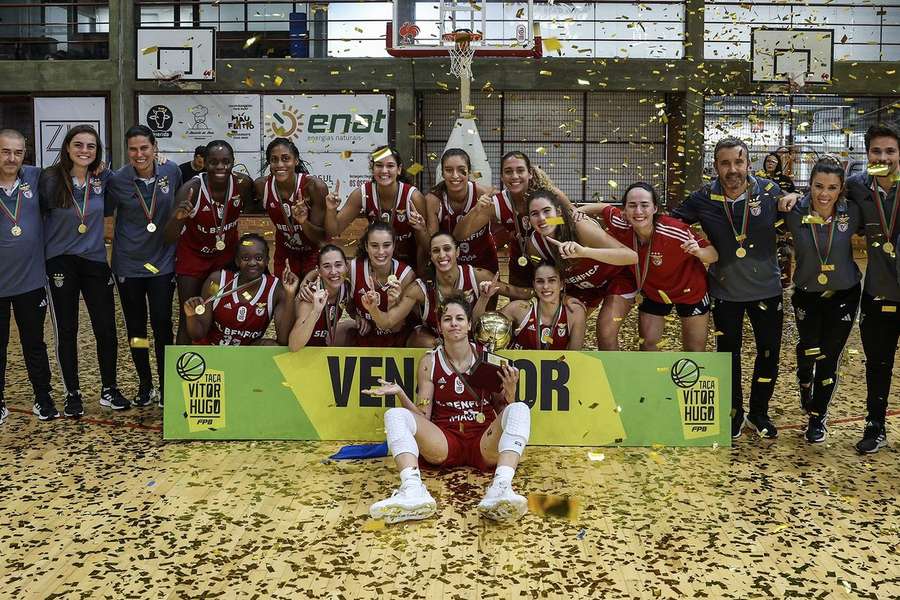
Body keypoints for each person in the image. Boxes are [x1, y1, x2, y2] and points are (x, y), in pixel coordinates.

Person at [673, 136, 797, 440]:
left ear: (748, 163)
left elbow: (799, 213)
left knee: (768, 353)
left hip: (767, 290)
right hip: (724, 292)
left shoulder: (770, 192)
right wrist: (699, 246)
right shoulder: (702, 197)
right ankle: (733, 414)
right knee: (728, 354)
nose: (732, 169)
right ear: (715, 166)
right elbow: (671, 224)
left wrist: (794, 199)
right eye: (725, 163)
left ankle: (758, 412)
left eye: (738, 162)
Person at [365, 294, 530, 524]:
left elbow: (505, 411)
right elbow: (422, 417)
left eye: (460, 318)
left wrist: (511, 391)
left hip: (483, 440)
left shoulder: (488, 359)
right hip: (445, 440)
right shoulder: (429, 362)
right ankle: (413, 490)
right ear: (440, 327)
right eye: (447, 319)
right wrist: (401, 394)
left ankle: (501, 488)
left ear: (470, 324)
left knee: (521, 409)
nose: (454, 323)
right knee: (394, 415)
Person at [38, 124, 127, 416]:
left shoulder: (103, 179)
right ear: (67, 147)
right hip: (60, 261)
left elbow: (131, 179)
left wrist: (160, 159)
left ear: (97, 151)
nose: (84, 151)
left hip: (95, 261)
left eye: (91, 146)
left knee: (106, 328)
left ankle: (109, 389)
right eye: (78, 145)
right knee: (67, 329)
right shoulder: (50, 180)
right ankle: (72, 392)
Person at [581, 183, 718, 352]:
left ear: (655, 208)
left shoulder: (675, 231)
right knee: (647, 346)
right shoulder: (620, 222)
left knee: (695, 351)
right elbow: (603, 208)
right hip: (654, 292)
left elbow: (713, 254)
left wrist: (698, 252)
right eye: (632, 205)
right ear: (624, 210)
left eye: (644, 205)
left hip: (690, 291)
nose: (638, 211)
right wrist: (577, 212)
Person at [781, 158, 861, 444]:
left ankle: (818, 417)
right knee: (809, 348)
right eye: (818, 186)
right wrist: (787, 196)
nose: (824, 194)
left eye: (832, 188)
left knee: (829, 355)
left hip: (845, 294)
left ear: (841, 189)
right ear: (809, 185)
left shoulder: (852, 212)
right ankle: (805, 380)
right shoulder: (793, 211)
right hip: (807, 294)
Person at [106, 125, 182, 408]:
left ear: (155, 148)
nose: (139, 154)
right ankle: (145, 384)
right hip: (130, 264)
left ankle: (166, 385)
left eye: (145, 148)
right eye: (134, 149)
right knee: (136, 329)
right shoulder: (117, 180)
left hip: (161, 263)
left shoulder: (171, 172)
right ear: (127, 151)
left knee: (162, 323)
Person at [363, 232, 531, 348]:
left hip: (470, 341)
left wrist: (548, 290)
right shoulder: (419, 288)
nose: (442, 255)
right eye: (436, 250)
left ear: (457, 251)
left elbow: (518, 293)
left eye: (447, 249)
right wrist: (373, 309)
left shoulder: (478, 276)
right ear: (431, 256)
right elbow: (387, 322)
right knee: (419, 338)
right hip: (437, 345)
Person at [843, 123, 900, 453]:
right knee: (878, 363)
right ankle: (874, 425)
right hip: (877, 293)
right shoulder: (857, 186)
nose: (884, 157)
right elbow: (824, 194)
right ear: (867, 155)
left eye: (890, 151)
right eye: (876, 151)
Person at [525, 188, 638, 350]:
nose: (542, 218)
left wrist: (584, 252)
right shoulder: (534, 246)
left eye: (546, 211)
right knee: (560, 327)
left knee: (605, 331)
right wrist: (562, 297)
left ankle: (613, 375)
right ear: (529, 219)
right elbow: (549, 279)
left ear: (557, 212)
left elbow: (631, 256)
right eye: (534, 214)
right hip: (583, 287)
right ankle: (567, 370)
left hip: (616, 277)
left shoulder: (579, 226)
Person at [166, 139, 254, 344]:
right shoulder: (191, 190)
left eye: (226, 162)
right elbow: (168, 237)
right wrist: (178, 219)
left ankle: (220, 364)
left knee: (223, 315)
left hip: (225, 258)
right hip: (193, 259)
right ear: (204, 163)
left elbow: (252, 211)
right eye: (214, 162)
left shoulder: (243, 184)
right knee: (189, 315)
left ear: (233, 162)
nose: (221, 167)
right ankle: (182, 371)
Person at [0, 129, 53, 423]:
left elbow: (71, 168)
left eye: (17, 152)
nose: (11, 158)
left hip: (30, 282)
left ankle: (43, 397)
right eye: (5, 151)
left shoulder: (34, 177)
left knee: (34, 343)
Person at [454, 151, 564, 288]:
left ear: (529, 173)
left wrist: (545, 223)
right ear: (501, 177)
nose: (514, 176)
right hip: (520, 262)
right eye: (508, 171)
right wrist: (475, 209)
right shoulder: (497, 203)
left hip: (552, 259)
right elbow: (459, 235)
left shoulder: (549, 195)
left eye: (520, 170)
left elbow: (569, 221)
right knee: (519, 306)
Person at [324, 146, 430, 271]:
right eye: (379, 165)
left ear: (399, 169)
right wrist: (331, 210)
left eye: (390, 166)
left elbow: (424, 246)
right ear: (372, 168)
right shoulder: (362, 193)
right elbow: (334, 230)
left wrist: (421, 274)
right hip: (376, 261)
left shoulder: (414, 197)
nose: (384, 170)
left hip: (407, 264)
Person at [183, 233, 298, 346]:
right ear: (237, 261)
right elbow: (198, 334)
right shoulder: (217, 283)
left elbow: (283, 340)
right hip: (214, 350)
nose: (252, 263)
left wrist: (290, 294)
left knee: (270, 346)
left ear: (267, 260)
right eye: (245, 258)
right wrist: (191, 316)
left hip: (245, 355)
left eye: (258, 258)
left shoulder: (275, 288)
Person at [255, 137, 327, 278]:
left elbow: (320, 237)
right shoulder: (262, 186)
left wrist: (303, 222)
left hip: (314, 252)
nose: (280, 164)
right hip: (285, 252)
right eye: (274, 160)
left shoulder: (314, 187)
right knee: (285, 296)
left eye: (286, 158)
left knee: (310, 297)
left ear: (296, 160)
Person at [487, 260, 586, 350]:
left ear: (561, 285)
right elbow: (481, 329)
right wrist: (484, 298)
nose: (546, 286)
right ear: (534, 285)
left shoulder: (574, 312)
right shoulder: (519, 308)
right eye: (540, 281)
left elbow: (574, 357)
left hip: (557, 367)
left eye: (551, 280)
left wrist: (553, 363)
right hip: (515, 368)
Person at [425, 149, 497, 273]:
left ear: (469, 172)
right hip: (449, 265)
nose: (455, 175)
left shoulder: (483, 193)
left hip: (484, 262)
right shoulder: (433, 200)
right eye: (448, 170)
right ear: (442, 173)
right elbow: (433, 243)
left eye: (461, 169)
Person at [346, 221, 417, 346]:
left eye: (386, 245)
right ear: (366, 246)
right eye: (374, 246)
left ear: (394, 246)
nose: (380, 251)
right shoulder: (353, 268)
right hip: (365, 334)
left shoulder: (406, 275)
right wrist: (356, 316)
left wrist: (392, 303)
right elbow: (348, 304)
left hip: (396, 337)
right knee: (340, 333)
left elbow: (395, 327)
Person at [288, 244, 352, 349]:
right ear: (319, 270)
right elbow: (293, 346)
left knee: (353, 328)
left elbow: (352, 308)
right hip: (302, 351)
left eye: (338, 265)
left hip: (322, 344)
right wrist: (316, 312)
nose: (333, 271)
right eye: (327, 266)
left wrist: (359, 317)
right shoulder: (310, 295)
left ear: (346, 266)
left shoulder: (346, 288)